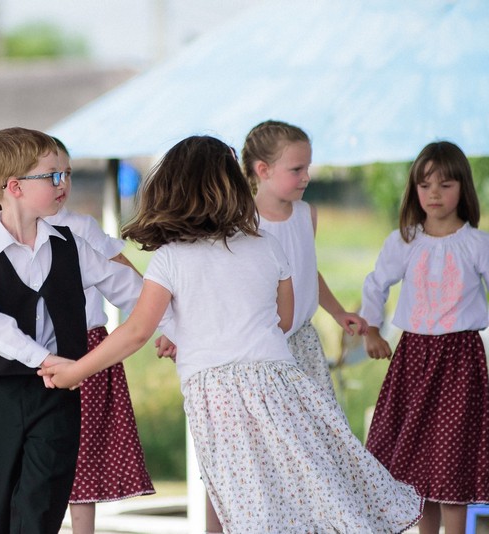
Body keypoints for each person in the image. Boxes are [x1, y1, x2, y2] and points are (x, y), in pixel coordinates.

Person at [40, 135, 424, 533]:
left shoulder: (170, 260)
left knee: (252, 509)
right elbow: (283, 318)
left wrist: (76, 371)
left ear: (170, 192)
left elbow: (137, 331)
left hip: (219, 399)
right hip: (282, 385)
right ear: (236, 187)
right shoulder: (267, 246)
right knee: (311, 492)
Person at [0, 127, 147, 534]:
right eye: (52, 175)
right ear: (15, 187)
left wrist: (178, 326)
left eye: (65, 174)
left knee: (43, 502)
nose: (63, 183)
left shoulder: (71, 246)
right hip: (4, 391)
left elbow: (132, 291)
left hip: (60, 393)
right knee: (1, 506)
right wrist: (43, 358)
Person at [361, 141, 489, 534]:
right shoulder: (404, 241)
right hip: (413, 357)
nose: (434, 193)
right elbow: (376, 284)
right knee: (417, 464)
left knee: (451, 460)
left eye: (445, 185)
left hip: (460, 360)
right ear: (414, 189)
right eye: (424, 185)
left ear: (463, 188)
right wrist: (371, 330)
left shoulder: (477, 244)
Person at [242, 119, 367, 396]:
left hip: (304, 340)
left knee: (315, 415)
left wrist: (338, 312)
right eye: (297, 169)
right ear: (263, 170)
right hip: (261, 345)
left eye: (307, 168)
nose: (307, 177)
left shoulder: (306, 214)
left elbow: (308, 271)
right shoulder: (244, 222)